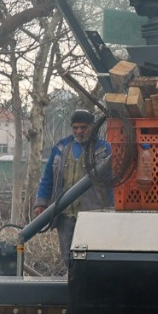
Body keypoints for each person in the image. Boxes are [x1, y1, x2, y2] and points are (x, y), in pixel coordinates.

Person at [37, 109, 113, 270]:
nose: (79, 131)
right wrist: (41, 202)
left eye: (83, 127)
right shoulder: (60, 148)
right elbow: (48, 178)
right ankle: (72, 285)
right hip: (65, 215)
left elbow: (113, 183)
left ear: (92, 127)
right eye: (75, 127)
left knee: (92, 256)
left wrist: (113, 209)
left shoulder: (104, 149)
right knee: (68, 258)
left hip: (93, 214)